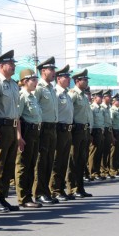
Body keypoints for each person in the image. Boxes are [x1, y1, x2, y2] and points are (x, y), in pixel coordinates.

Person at [0, 50, 22, 212]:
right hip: (1, 126)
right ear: (1, 66)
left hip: (12, 127)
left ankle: (3, 196)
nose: (14, 66)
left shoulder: (13, 84)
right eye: (11, 64)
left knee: (8, 164)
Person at [16, 68, 43, 207]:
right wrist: (19, 136)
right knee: (23, 165)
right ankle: (23, 198)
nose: (36, 82)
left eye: (36, 79)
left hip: (35, 133)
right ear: (25, 81)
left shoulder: (32, 96)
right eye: (33, 79)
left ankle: (29, 196)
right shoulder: (22, 96)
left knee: (32, 164)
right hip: (26, 132)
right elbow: (18, 118)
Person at [34, 57, 58, 203]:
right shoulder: (38, 88)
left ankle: (46, 190)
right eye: (52, 69)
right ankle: (38, 192)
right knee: (41, 161)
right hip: (42, 128)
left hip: (52, 128)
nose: (54, 72)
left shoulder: (50, 88)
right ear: (43, 71)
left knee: (49, 160)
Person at [67, 69, 92, 198]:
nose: (87, 82)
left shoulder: (83, 95)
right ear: (77, 81)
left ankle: (80, 187)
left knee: (82, 160)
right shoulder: (73, 94)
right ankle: (72, 188)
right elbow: (68, 111)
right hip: (76, 130)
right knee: (73, 160)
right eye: (85, 80)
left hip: (85, 130)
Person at [51, 64, 74, 199]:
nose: (68, 79)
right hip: (59, 129)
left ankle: (60, 188)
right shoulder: (56, 93)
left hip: (67, 130)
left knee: (64, 161)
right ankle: (54, 189)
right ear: (59, 79)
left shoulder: (67, 94)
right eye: (66, 76)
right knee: (57, 161)